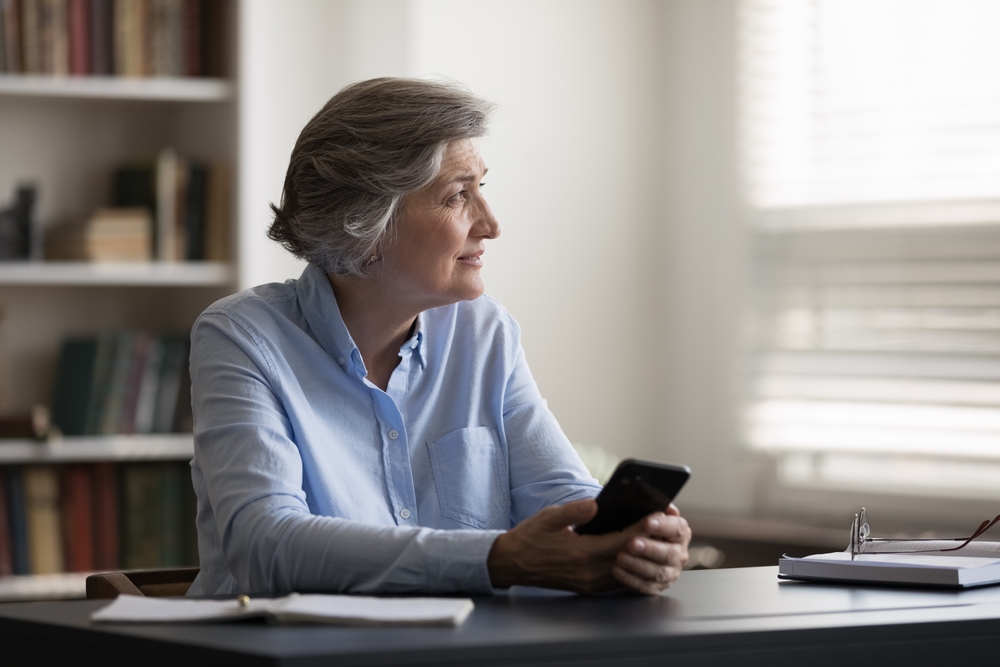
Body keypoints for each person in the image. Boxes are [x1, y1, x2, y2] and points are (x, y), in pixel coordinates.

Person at [187, 78, 691, 597]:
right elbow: (265, 547)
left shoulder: (485, 332)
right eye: (457, 196)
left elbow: (561, 497)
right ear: (366, 224)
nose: (490, 225)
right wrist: (496, 560)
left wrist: (630, 541)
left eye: (482, 189)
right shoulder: (242, 337)